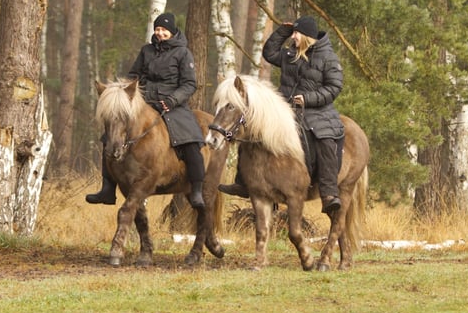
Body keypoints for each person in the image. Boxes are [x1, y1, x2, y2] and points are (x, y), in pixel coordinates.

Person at [219, 15, 345, 214]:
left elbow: (334, 87)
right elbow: (269, 53)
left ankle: (328, 192)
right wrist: (282, 32)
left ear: (307, 36)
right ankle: (242, 182)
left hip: (316, 111)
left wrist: (308, 99)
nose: (293, 37)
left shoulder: (328, 57)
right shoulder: (289, 54)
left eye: (296, 33)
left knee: (324, 141)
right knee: (249, 130)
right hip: (285, 108)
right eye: (293, 33)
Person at [86, 12, 206, 209]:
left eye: (163, 30)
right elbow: (133, 76)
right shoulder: (146, 51)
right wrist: (124, 95)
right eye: (157, 29)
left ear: (172, 31)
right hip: (144, 103)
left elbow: (189, 84)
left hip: (172, 105)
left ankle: (197, 190)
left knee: (191, 140)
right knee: (109, 137)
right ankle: (107, 188)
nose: (159, 33)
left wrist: (171, 100)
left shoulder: (183, 53)